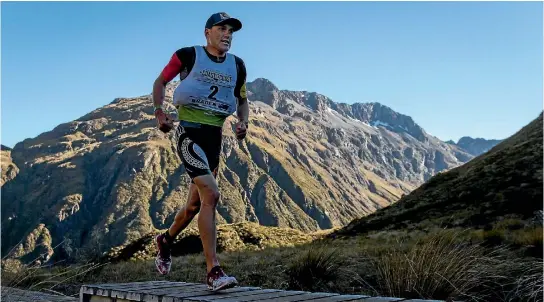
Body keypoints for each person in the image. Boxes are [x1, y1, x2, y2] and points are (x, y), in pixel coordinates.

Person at [150, 12, 249, 292]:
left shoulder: (238, 65)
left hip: (214, 138)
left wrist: (243, 123)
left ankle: (165, 241)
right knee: (212, 195)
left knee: (194, 206)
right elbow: (160, 82)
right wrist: (160, 113)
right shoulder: (186, 55)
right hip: (189, 133)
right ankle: (213, 271)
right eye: (222, 28)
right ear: (208, 32)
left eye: (231, 30)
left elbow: (242, 100)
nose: (227, 34)